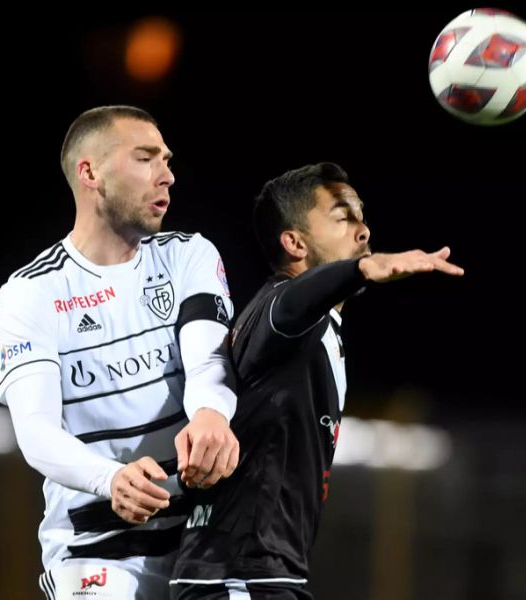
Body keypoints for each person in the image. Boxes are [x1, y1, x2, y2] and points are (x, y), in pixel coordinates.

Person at [170, 162, 464, 599]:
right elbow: (290, 306)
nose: (363, 230)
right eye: (343, 216)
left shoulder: (319, 326)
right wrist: (361, 270)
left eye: (361, 214)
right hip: (238, 575)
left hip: (263, 574)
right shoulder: (281, 312)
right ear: (294, 241)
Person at [0, 105, 240, 600]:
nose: (167, 175)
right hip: (95, 544)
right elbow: (36, 431)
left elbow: (207, 359)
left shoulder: (188, 254)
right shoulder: (32, 291)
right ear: (90, 173)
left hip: (202, 536)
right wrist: (111, 480)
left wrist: (212, 414)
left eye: (167, 159)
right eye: (146, 158)